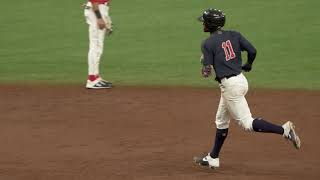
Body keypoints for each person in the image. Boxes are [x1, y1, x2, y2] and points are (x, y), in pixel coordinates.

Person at [193, 8, 301, 169]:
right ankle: (213, 158)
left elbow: (206, 73)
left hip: (230, 87)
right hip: (241, 80)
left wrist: (204, 63)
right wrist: (248, 64)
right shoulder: (234, 35)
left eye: (204, 22)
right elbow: (252, 50)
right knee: (221, 120)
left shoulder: (207, 43)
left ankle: (284, 130)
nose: (202, 24)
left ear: (210, 24)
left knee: (247, 123)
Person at [83, 0, 113, 89]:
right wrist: (99, 18)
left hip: (98, 9)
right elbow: (95, 1)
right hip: (97, 11)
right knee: (95, 46)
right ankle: (92, 79)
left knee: (98, 47)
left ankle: (95, 77)